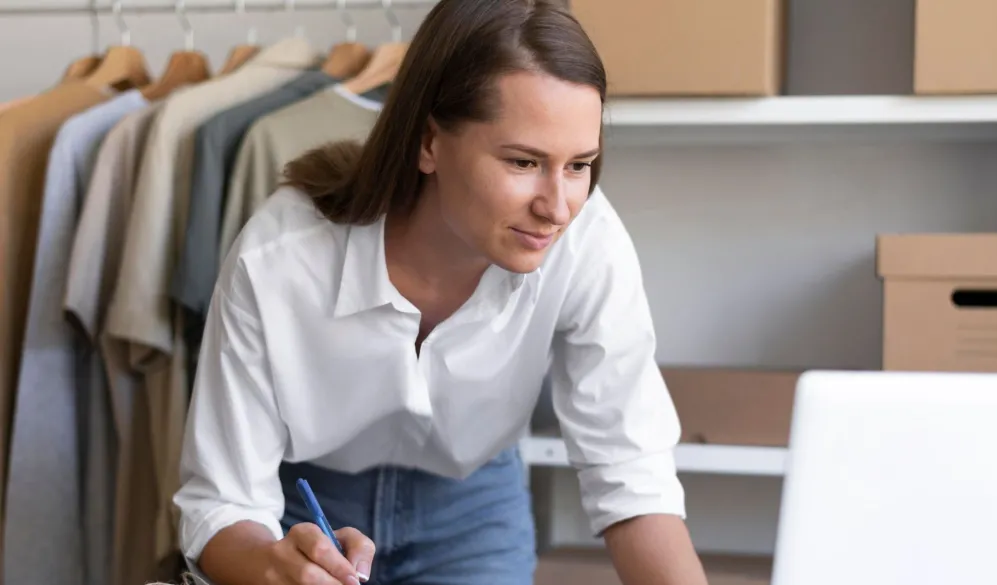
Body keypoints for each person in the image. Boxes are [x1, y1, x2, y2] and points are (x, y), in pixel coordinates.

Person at [173, 0, 711, 584]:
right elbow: (222, 503)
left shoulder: (586, 241)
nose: (556, 208)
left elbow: (630, 470)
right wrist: (273, 569)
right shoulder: (279, 258)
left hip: (473, 504)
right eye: (524, 161)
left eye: (579, 165)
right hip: (308, 505)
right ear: (429, 142)